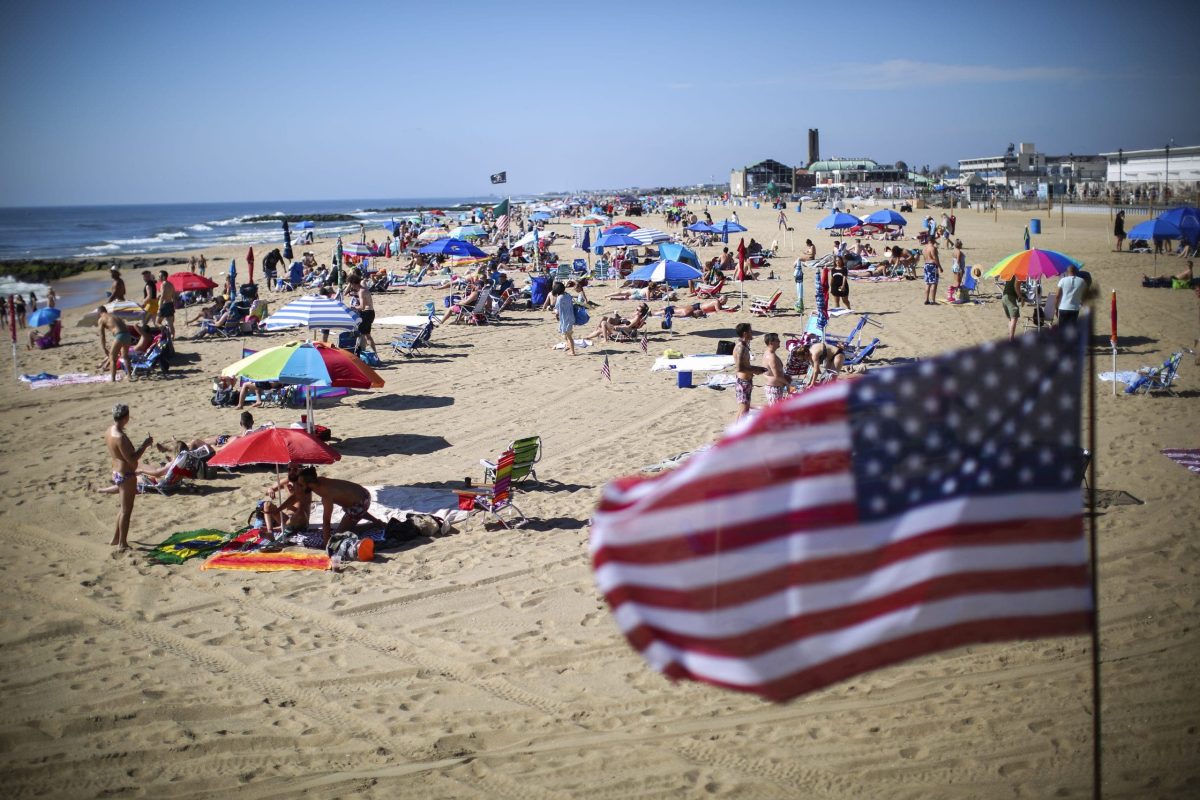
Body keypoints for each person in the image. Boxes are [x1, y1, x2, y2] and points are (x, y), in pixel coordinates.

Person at [91, 404, 152, 551]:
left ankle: (116, 538)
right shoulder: (121, 438)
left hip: (117, 472)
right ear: (126, 417)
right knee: (126, 510)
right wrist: (144, 445)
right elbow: (132, 460)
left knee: (123, 509)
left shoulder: (109, 431)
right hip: (126, 475)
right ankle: (122, 543)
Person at [295, 467, 382, 545]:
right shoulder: (319, 480)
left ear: (309, 484)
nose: (301, 488)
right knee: (347, 506)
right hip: (363, 494)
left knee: (339, 534)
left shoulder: (326, 494)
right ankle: (376, 521)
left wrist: (326, 542)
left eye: (302, 485)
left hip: (360, 503)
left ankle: (372, 526)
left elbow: (326, 521)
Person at [264, 464, 314, 539]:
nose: (291, 472)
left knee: (301, 511)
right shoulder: (286, 481)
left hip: (301, 519)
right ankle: (270, 532)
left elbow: (293, 498)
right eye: (289, 470)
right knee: (267, 504)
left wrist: (278, 509)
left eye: (295, 470)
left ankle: (281, 528)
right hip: (287, 519)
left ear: (301, 470)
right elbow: (269, 490)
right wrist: (270, 490)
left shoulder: (304, 483)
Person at [732, 322, 765, 420]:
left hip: (746, 381)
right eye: (750, 331)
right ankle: (738, 431)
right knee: (744, 410)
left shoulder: (744, 346)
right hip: (743, 382)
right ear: (745, 333)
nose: (752, 333)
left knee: (744, 409)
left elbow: (745, 365)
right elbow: (739, 368)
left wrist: (756, 369)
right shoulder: (740, 348)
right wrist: (755, 370)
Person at [97, 306, 134, 382]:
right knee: (125, 356)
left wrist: (104, 347)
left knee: (112, 357)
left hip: (120, 335)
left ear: (99, 313)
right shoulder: (114, 315)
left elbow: (102, 335)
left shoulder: (101, 319)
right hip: (127, 335)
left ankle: (113, 379)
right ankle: (129, 376)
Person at [347, 272, 376, 352]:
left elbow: (362, 307)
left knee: (361, 335)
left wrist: (352, 308)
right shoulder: (364, 289)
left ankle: (362, 352)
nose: (351, 286)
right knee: (367, 335)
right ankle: (375, 353)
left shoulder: (361, 292)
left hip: (366, 313)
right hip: (371, 312)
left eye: (351, 284)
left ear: (353, 283)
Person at [761, 333, 790, 404]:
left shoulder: (768, 353)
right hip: (774, 389)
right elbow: (777, 376)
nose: (779, 341)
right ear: (771, 342)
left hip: (773, 388)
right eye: (777, 340)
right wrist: (787, 384)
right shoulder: (771, 357)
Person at [552, 281, 576, 356]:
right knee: (565, 333)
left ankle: (572, 352)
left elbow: (557, 309)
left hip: (565, 319)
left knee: (569, 336)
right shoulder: (568, 295)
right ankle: (568, 345)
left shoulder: (560, 298)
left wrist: (555, 314)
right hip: (570, 317)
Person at [156, 270, 177, 337]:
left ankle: (164, 329)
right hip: (170, 304)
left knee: (157, 322)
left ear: (164, 277)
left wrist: (159, 308)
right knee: (170, 323)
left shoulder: (163, 284)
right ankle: (172, 336)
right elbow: (174, 296)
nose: (158, 277)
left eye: (160, 276)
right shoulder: (171, 284)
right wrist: (173, 306)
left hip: (164, 305)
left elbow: (163, 296)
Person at [922, 236, 942, 305]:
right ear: (932, 240)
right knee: (934, 283)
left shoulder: (924, 249)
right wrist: (940, 267)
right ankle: (933, 301)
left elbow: (925, 258)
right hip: (932, 266)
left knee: (927, 283)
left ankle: (926, 299)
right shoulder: (932, 248)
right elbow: (935, 258)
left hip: (926, 265)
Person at [1002, 276, 1022, 341]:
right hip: (1010, 298)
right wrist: (1021, 297)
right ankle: (1011, 339)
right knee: (1014, 318)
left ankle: (1011, 338)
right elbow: (1016, 286)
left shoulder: (1011, 274)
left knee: (1011, 319)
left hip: (1004, 297)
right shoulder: (1018, 275)